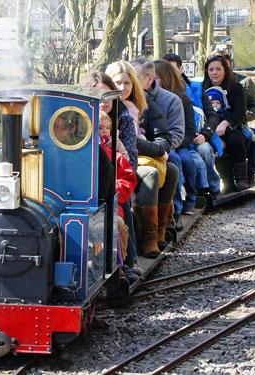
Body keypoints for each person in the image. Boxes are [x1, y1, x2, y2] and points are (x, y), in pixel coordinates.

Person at [105, 62, 179, 257]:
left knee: (172, 170)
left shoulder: (145, 105)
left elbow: (165, 137)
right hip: (126, 161)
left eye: (127, 83)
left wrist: (157, 148)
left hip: (134, 158)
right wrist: (154, 149)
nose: (122, 88)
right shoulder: (112, 109)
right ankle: (148, 238)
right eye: (117, 82)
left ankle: (160, 231)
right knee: (150, 174)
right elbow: (132, 146)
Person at [84, 71, 143, 276]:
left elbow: (129, 158)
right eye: (98, 95)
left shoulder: (122, 120)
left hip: (116, 179)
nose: (103, 101)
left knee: (121, 203)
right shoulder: (81, 125)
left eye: (108, 95)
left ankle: (129, 260)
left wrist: (114, 189)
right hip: (92, 185)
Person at [163, 53, 222, 199]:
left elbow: (212, 115)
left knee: (205, 151)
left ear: (181, 69)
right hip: (180, 138)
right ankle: (196, 191)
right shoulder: (162, 92)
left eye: (172, 69)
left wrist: (205, 134)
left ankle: (213, 188)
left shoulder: (195, 88)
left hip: (198, 133)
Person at [154, 59, 202, 222]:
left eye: (155, 78)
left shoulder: (182, 100)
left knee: (187, 160)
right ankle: (175, 207)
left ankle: (190, 198)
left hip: (178, 143)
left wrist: (174, 144)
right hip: (159, 144)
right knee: (173, 161)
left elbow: (189, 130)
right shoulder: (148, 100)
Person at [211, 50, 255, 187]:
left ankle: (250, 173)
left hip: (239, 124)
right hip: (216, 126)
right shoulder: (207, 86)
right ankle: (227, 180)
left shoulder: (243, 83)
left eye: (221, 67)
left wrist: (237, 118)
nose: (216, 71)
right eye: (212, 68)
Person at [202, 55, 249, 191]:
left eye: (218, 69)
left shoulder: (236, 88)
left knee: (235, 139)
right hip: (209, 127)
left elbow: (240, 112)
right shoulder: (202, 88)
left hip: (231, 126)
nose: (214, 73)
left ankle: (241, 178)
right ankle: (226, 180)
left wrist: (226, 123)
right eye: (211, 69)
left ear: (225, 70)